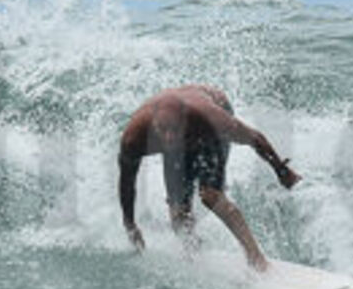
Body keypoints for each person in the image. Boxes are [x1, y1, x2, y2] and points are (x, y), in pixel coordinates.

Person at [118, 84, 301, 271]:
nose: (170, 137)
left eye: (175, 130)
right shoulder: (134, 139)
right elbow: (126, 183)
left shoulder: (212, 120)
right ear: (153, 127)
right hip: (184, 126)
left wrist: (281, 170)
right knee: (178, 211)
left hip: (208, 123)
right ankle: (193, 252)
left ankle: (256, 259)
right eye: (163, 131)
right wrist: (130, 224)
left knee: (211, 196)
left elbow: (255, 138)